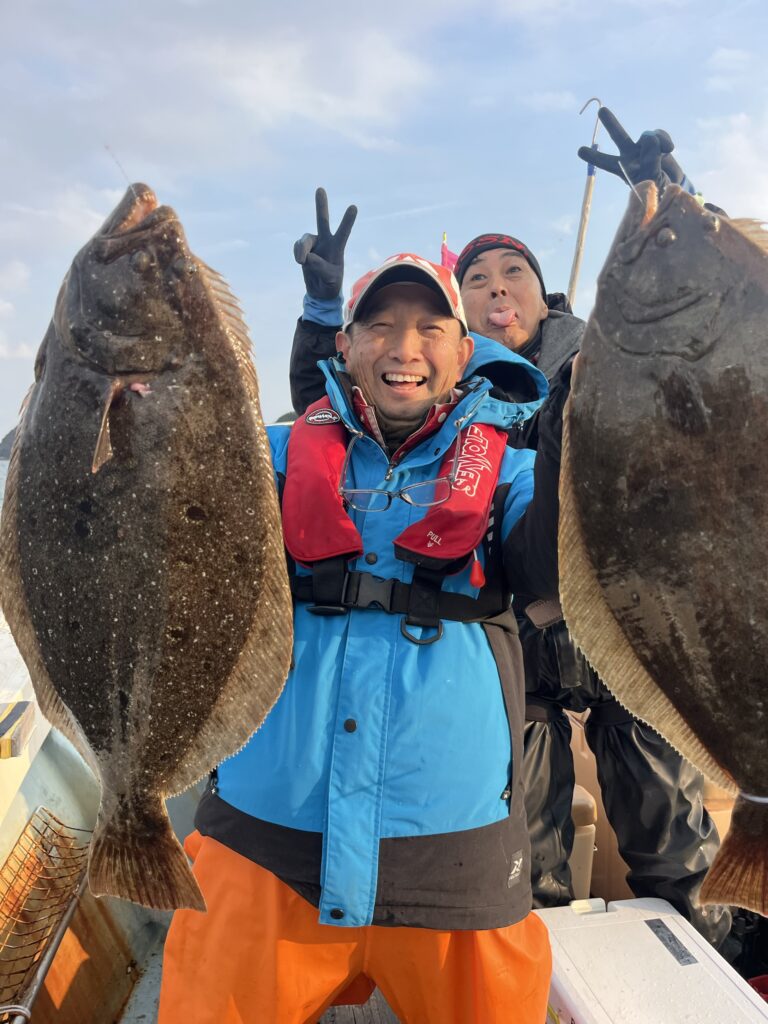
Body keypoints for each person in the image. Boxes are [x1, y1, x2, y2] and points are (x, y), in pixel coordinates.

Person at [286, 108, 732, 950]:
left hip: (622, 633)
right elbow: (331, 419)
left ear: (543, 292)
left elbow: (697, 329)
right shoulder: (442, 388)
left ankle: (717, 957)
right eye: (478, 279)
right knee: (528, 845)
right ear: (459, 320)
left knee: (669, 826)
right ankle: (549, 969)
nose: (497, 288)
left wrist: (670, 201)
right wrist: (319, 312)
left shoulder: (606, 353)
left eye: (513, 272)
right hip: (512, 641)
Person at [159, 251, 571, 1023]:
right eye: (379, 326)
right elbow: (166, 509)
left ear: (463, 351)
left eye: (428, 328)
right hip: (262, 843)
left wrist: (573, 444)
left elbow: (549, 573)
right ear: (345, 348)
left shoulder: (512, 473)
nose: (403, 347)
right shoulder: (272, 455)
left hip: (456, 850)